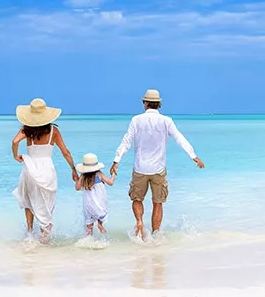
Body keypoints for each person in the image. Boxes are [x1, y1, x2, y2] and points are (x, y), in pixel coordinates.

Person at [111, 89, 204, 241]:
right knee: (158, 203)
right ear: (159, 104)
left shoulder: (136, 120)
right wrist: (193, 156)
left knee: (137, 199)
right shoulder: (166, 121)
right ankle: (155, 234)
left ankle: (140, 222)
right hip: (158, 170)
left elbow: (126, 141)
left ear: (145, 103)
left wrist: (116, 160)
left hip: (140, 168)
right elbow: (179, 138)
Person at [12, 98, 78, 242]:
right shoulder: (54, 131)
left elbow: (15, 141)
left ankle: (29, 232)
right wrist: (73, 169)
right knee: (47, 201)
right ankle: (45, 235)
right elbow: (65, 152)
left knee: (29, 200)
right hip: (47, 169)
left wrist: (15, 156)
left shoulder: (26, 129)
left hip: (30, 168)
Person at [75, 152, 116, 238]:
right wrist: (113, 174)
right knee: (100, 214)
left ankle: (88, 240)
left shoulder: (83, 176)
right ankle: (100, 224)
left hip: (88, 207)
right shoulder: (99, 174)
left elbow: (77, 188)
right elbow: (110, 183)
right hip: (99, 205)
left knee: (89, 228)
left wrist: (76, 180)